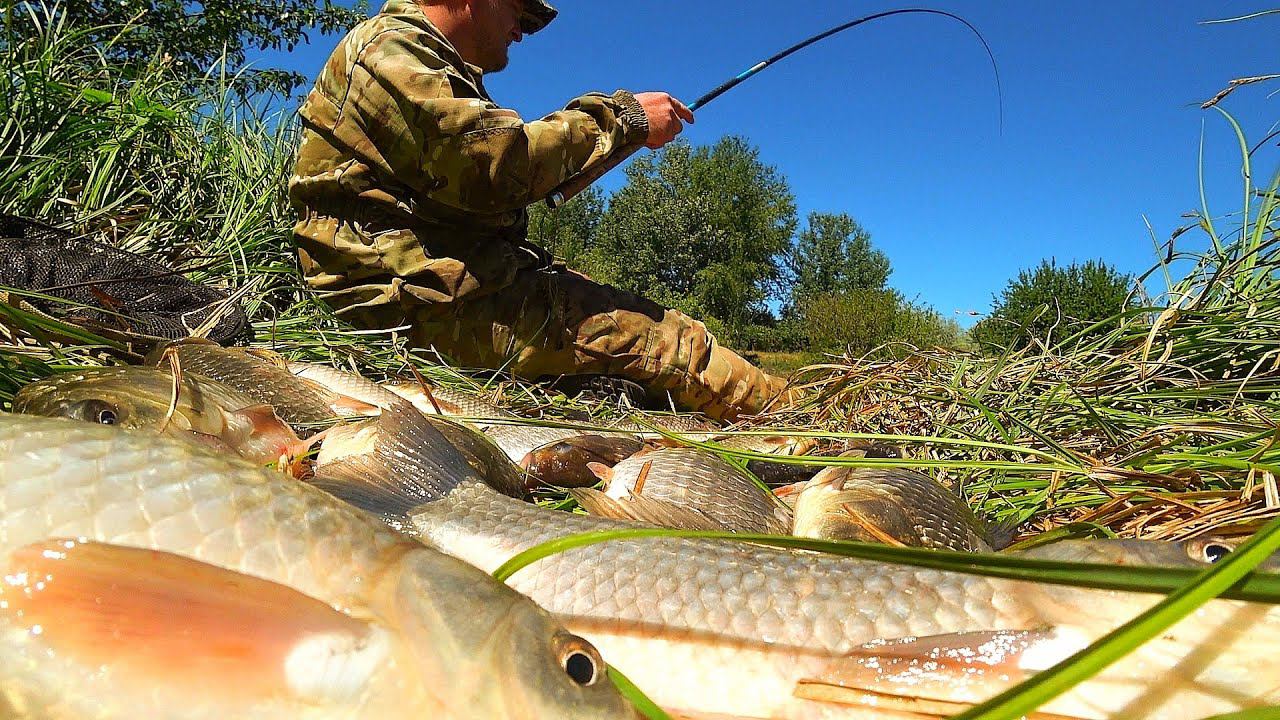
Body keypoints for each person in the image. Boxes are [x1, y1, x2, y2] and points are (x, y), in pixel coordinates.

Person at [290, 0, 792, 419]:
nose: (522, 31)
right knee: (668, 343)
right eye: (518, 9)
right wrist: (625, 118)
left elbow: (490, 182)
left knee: (613, 304)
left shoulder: (424, 62)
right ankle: (804, 422)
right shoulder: (391, 47)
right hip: (408, 304)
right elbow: (491, 164)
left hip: (436, 285)